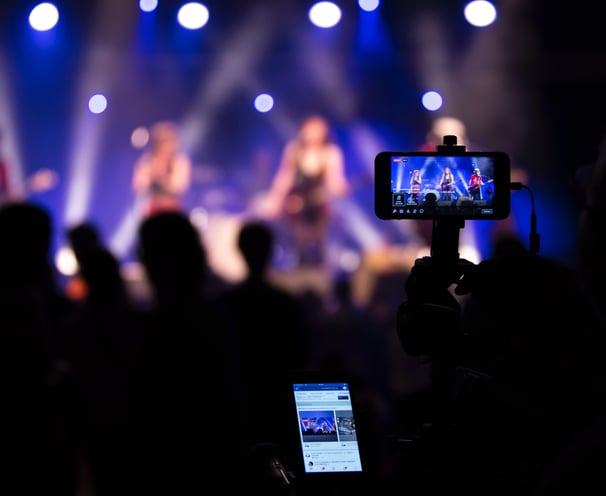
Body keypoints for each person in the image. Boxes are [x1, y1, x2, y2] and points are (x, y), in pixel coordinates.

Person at [261, 114, 350, 267]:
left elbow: (334, 180)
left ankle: (320, 276)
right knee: (297, 243)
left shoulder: (331, 153)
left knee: (320, 244)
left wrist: (339, 187)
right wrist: (274, 199)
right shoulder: (294, 150)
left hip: (319, 206)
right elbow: (284, 176)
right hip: (297, 205)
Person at [131, 120, 192, 217]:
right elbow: (138, 185)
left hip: (172, 209)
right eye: (164, 143)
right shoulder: (148, 161)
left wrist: (162, 178)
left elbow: (180, 187)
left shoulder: (179, 161)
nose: (168, 147)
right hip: (152, 208)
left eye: (171, 143)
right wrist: (152, 174)